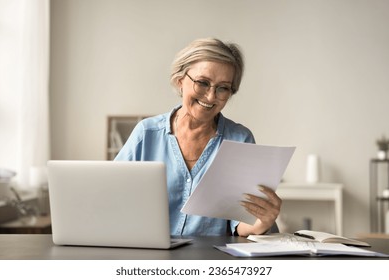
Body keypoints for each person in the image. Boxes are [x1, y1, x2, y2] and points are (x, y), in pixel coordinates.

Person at [115, 38, 281, 236]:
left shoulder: (240, 139)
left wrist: (262, 221)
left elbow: (240, 225)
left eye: (223, 88)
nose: (211, 96)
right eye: (203, 83)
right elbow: (113, 200)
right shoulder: (146, 134)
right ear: (180, 81)